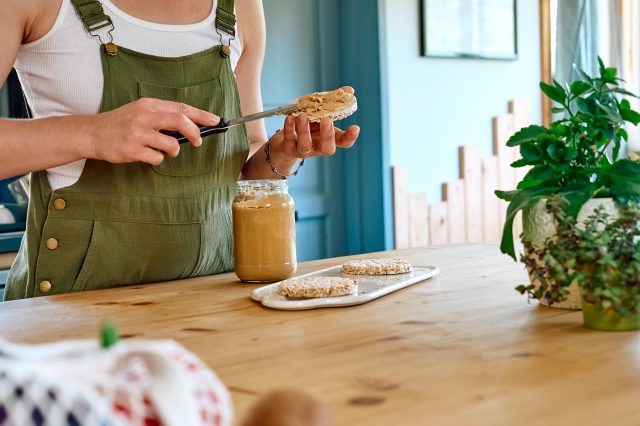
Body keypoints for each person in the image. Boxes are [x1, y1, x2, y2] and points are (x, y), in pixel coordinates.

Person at [0, 0, 360, 300]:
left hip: (216, 301)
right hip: (74, 311)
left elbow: (244, 162)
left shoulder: (242, 7)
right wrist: (93, 134)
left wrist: (281, 154)